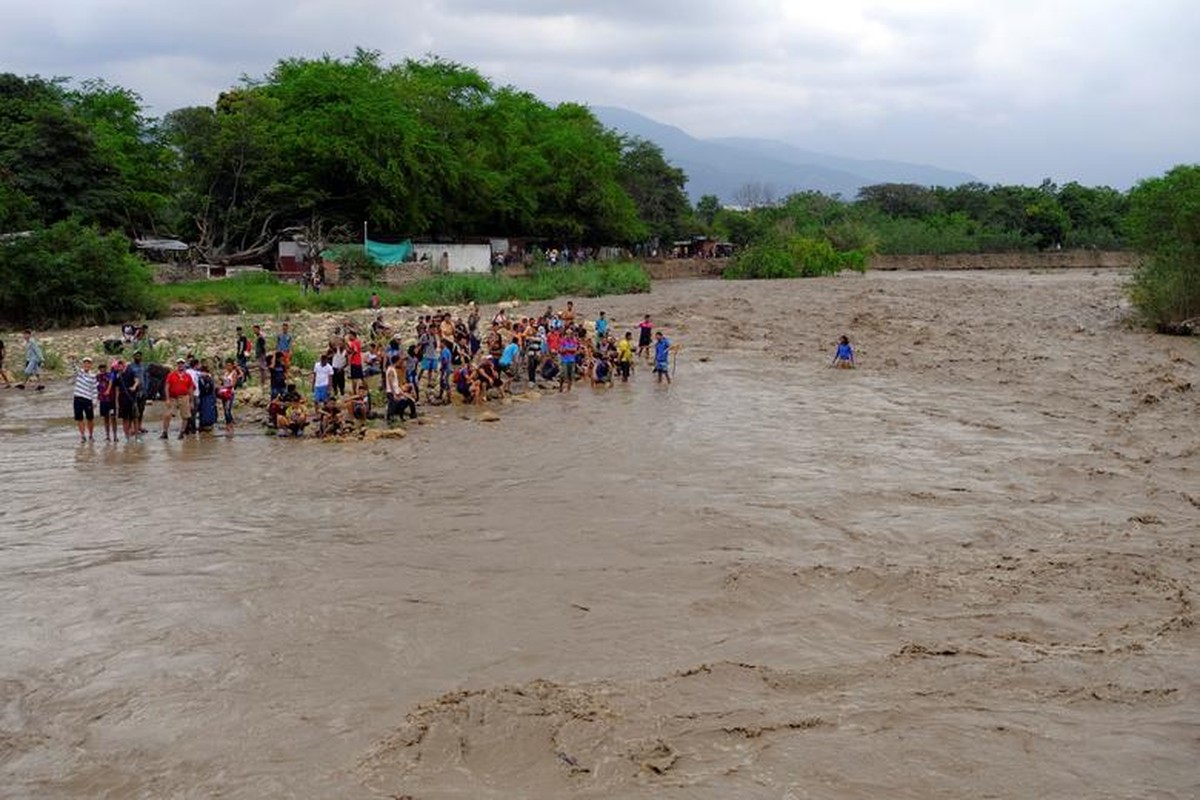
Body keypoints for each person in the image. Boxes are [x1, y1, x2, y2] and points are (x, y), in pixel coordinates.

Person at [161, 358, 194, 439]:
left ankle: (182, 433)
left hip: (184, 397)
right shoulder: (171, 375)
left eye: (182, 363)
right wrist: (167, 399)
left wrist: (192, 401)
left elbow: (190, 389)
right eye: (179, 363)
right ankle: (165, 432)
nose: (180, 365)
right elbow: (167, 387)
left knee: (185, 416)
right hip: (173, 398)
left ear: (184, 365)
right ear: (177, 365)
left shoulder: (188, 376)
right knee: (167, 415)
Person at [72, 356, 99, 442]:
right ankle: (82, 436)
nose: (87, 365)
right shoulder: (79, 372)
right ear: (83, 364)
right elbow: (74, 367)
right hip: (77, 397)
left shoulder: (93, 376)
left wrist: (95, 401)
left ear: (91, 365)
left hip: (88, 399)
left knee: (90, 418)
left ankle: (91, 435)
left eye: (88, 363)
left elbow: (95, 389)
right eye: (85, 363)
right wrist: (73, 359)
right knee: (79, 418)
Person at [97, 359, 119, 441]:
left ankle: (115, 436)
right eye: (100, 368)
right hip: (103, 400)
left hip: (111, 400)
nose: (102, 369)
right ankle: (107, 436)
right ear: (99, 369)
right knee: (105, 418)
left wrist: (108, 390)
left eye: (103, 368)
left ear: (106, 368)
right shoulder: (98, 377)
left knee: (113, 418)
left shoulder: (110, 375)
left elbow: (111, 382)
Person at [219, 359, 239, 434]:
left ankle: (230, 424)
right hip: (224, 392)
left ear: (232, 365)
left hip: (230, 393)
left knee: (227, 409)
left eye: (229, 365)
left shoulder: (234, 373)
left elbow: (233, 384)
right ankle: (228, 423)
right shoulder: (225, 373)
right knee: (225, 409)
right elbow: (222, 382)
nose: (228, 367)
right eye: (227, 365)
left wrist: (224, 386)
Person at [559, 327, 579, 392]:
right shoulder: (563, 341)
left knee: (570, 375)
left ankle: (568, 389)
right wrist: (569, 350)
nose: (569, 335)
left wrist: (567, 350)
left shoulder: (574, 341)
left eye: (570, 334)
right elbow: (561, 350)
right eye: (567, 334)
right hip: (564, 360)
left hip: (571, 360)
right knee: (563, 374)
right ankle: (561, 387)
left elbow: (575, 350)